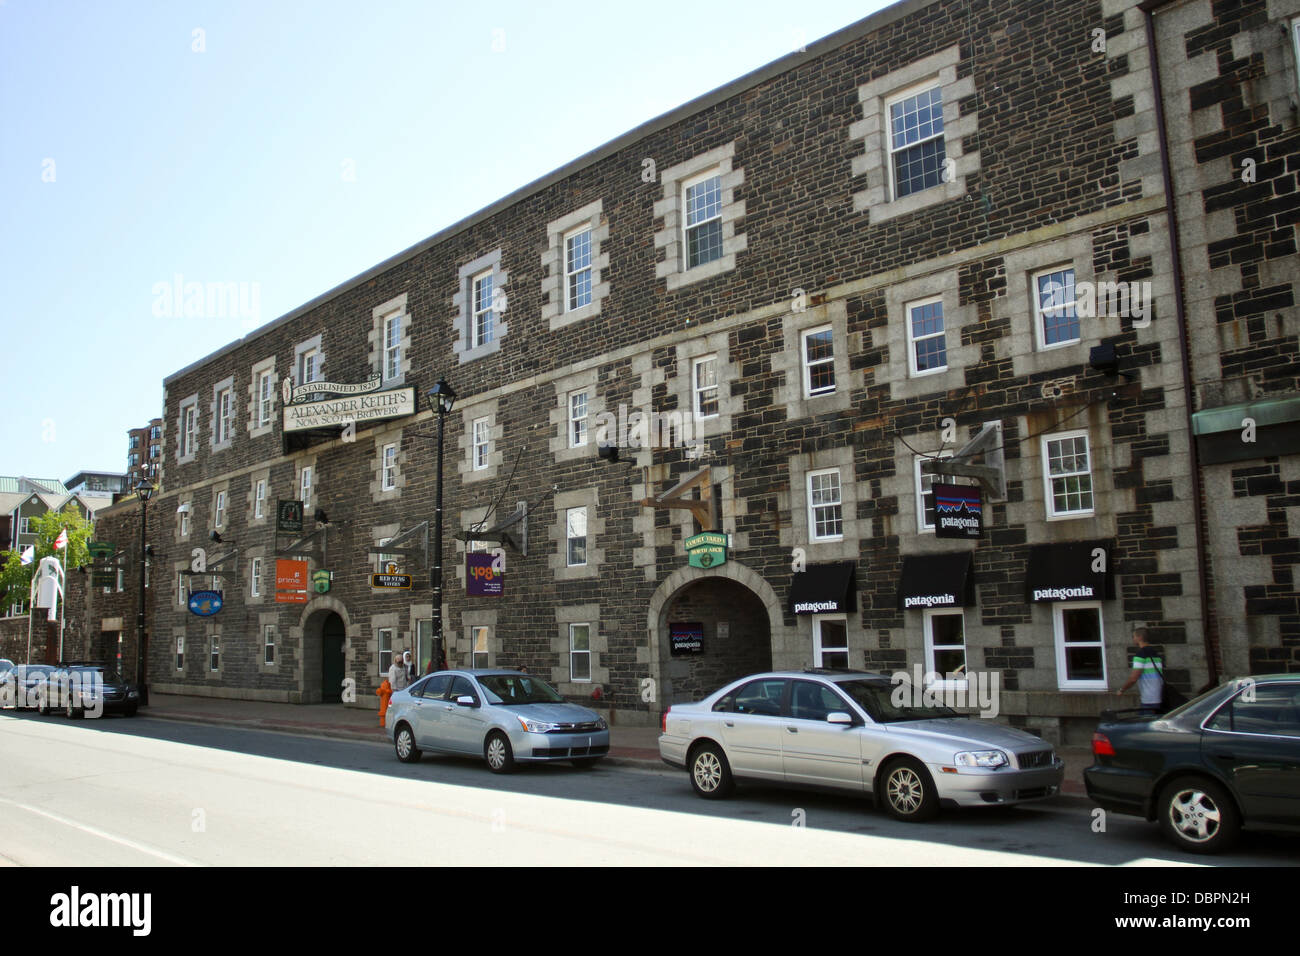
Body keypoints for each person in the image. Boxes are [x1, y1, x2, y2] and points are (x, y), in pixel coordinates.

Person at [1117, 627, 1164, 714]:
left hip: (1148, 699)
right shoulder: (1155, 653)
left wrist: (1121, 689)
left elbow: (1133, 678)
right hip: (1159, 696)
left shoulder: (1140, 655)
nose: (1133, 639)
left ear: (1139, 638)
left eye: (1134, 636)